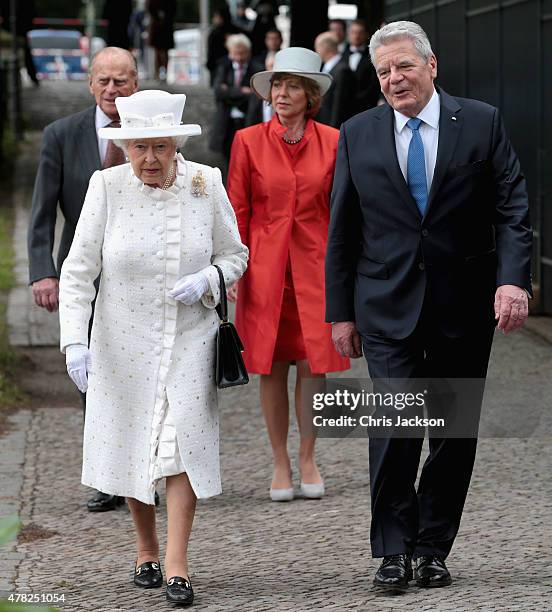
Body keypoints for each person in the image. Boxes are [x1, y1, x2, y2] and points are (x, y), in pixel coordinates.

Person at [326, 21, 532, 591]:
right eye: (385, 71)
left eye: (404, 67)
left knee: (451, 431)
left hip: (462, 306)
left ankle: (432, 546)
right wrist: (339, 312)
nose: (394, 79)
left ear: (431, 65)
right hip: (385, 304)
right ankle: (393, 550)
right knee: (394, 428)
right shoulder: (357, 132)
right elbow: (341, 228)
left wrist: (512, 282)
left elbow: (512, 207)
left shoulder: (481, 122)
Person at [58, 90, 248, 605]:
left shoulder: (205, 184)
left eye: (160, 147)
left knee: (182, 440)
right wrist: (75, 341)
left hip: (190, 335)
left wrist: (209, 276)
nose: (148, 158)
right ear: (124, 147)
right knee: (131, 438)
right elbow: (78, 272)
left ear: (175, 144)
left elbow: (236, 255)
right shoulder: (106, 187)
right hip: (123, 338)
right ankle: (145, 549)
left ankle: (178, 564)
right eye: (138, 147)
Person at [228, 47, 350, 502]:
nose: (281, 93)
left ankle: (308, 456)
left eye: (292, 85)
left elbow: (343, 211)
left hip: (318, 266)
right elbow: (237, 208)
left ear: (311, 94)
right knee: (272, 365)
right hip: (264, 266)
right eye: (277, 85)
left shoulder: (336, 142)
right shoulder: (247, 141)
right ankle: (279, 460)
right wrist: (235, 264)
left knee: (315, 364)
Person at [27, 46, 138, 513]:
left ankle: (146, 468)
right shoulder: (61, 134)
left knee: (140, 368)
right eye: (104, 81)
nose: (112, 90)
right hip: (82, 271)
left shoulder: (155, 129)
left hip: (141, 271)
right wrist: (42, 272)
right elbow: (42, 210)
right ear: (91, 84)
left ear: (136, 83)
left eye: (122, 81)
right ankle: (109, 473)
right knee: (90, 373)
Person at [210, 34, 261, 162]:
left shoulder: (257, 69)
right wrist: (242, 91)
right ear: (230, 52)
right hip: (226, 121)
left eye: (242, 53)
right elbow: (218, 92)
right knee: (227, 159)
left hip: (247, 120)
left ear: (248, 52)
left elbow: (256, 94)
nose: (238, 57)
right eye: (235, 53)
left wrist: (229, 91)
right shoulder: (223, 66)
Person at [315, 31, 355, 127]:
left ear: (325, 47)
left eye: (317, 47)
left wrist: (332, 131)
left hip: (332, 128)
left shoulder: (342, 70)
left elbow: (339, 107)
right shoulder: (326, 68)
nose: (316, 51)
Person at [341, 19, 380, 114]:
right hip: (343, 107)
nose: (356, 36)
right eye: (353, 32)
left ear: (367, 35)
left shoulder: (373, 55)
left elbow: (375, 83)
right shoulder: (341, 54)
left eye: (360, 33)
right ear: (348, 34)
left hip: (365, 107)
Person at [206, 4, 241, 86]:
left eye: (216, 16)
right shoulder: (235, 30)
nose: (214, 19)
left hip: (225, 66)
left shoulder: (216, 33)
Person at [146, 0, 176, 80]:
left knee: (163, 51)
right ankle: (158, 73)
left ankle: (163, 72)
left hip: (164, 27)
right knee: (158, 51)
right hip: (159, 27)